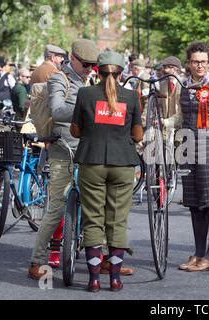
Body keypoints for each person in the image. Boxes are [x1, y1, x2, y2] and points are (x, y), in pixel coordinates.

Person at [70, 51, 143, 292]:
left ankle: (92, 280)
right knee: (117, 220)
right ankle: (114, 278)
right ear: (121, 73)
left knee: (93, 218)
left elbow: (75, 130)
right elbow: (138, 135)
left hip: (92, 162)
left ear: (97, 71)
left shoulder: (85, 94)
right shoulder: (132, 97)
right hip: (123, 164)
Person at [28, 38, 100, 279]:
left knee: (99, 206)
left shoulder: (91, 81)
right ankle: (36, 261)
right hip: (63, 150)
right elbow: (57, 110)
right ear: (73, 59)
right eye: (86, 64)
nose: (90, 68)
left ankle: (106, 258)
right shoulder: (60, 78)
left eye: (94, 64)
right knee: (56, 208)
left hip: (89, 150)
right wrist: (90, 108)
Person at [163, 41, 209, 272]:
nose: (200, 65)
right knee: (194, 203)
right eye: (196, 62)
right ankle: (198, 253)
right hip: (188, 148)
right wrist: (162, 123)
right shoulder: (184, 85)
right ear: (189, 63)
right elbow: (180, 117)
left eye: (204, 61)